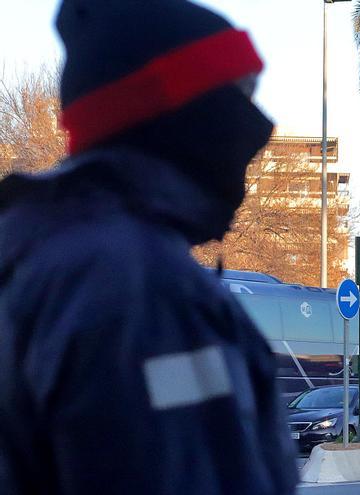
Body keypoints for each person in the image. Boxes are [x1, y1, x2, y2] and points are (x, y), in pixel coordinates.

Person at [0, 1, 296, 493]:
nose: (259, 125)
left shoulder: (35, 254)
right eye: (239, 95)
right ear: (180, 110)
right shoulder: (141, 289)